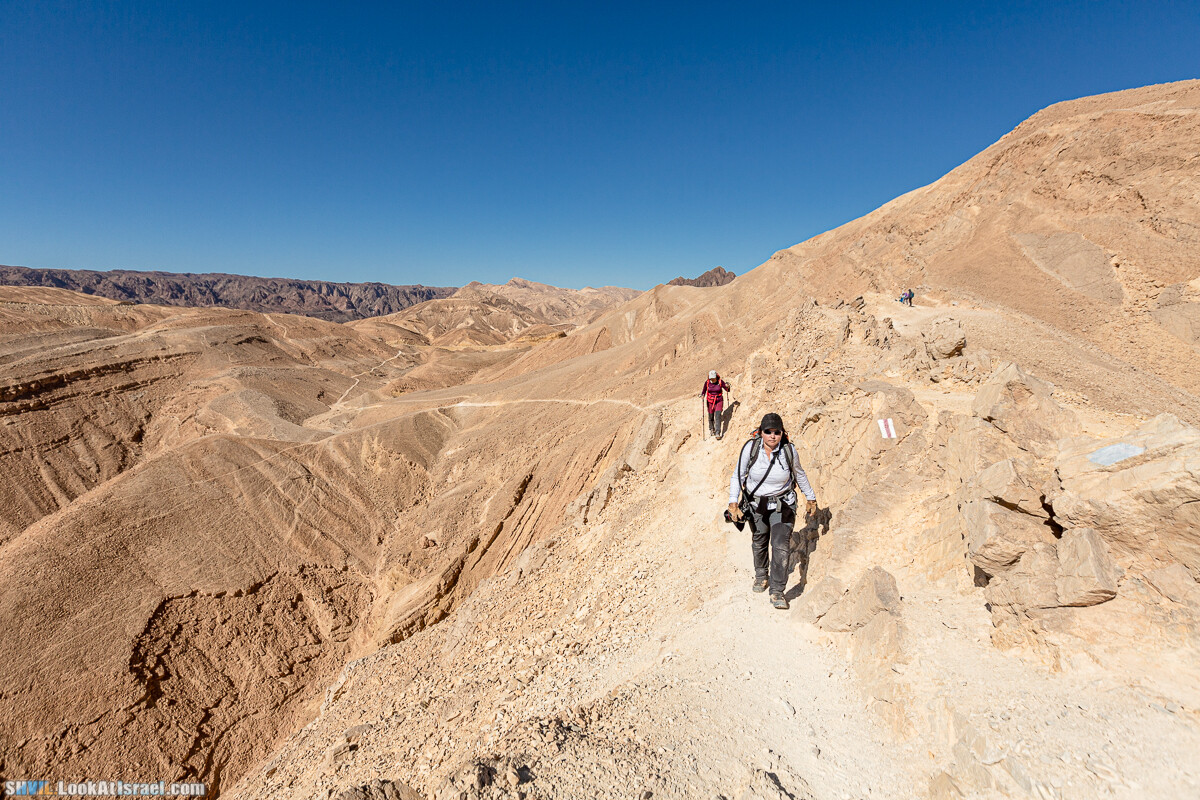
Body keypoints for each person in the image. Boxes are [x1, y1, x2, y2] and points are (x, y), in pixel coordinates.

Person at [727, 413, 818, 610]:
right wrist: (733, 502)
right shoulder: (751, 449)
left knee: (780, 545)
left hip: (783, 504)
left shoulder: (788, 451)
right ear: (761, 432)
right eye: (768, 432)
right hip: (756, 504)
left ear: (782, 433)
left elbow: (799, 474)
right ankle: (761, 575)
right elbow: (737, 475)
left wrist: (810, 498)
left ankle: (777, 590)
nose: (772, 436)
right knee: (759, 540)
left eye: (777, 432)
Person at [700, 370, 731, 439]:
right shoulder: (707, 383)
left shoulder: (720, 382)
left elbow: (727, 389)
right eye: (711, 378)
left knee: (718, 415)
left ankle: (717, 432)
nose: (712, 379)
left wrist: (728, 386)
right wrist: (702, 395)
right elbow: (704, 391)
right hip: (710, 401)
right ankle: (711, 428)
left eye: (713, 378)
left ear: (716, 377)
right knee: (711, 416)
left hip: (719, 400)